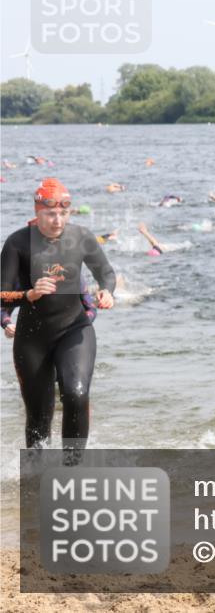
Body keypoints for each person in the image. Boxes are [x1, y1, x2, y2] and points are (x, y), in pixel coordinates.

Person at [0, 178, 115, 462]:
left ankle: (72, 470)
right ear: (37, 211)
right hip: (33, 337)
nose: (57, 219)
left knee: (76, 394)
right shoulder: (18, 242)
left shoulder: (82, 237)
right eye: (50, 213)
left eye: (63, 213)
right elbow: (1, 295)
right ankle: (35, 477)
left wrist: (107, 292)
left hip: (75, 329)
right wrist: (29, 294)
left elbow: (107, 275)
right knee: (39, 417)